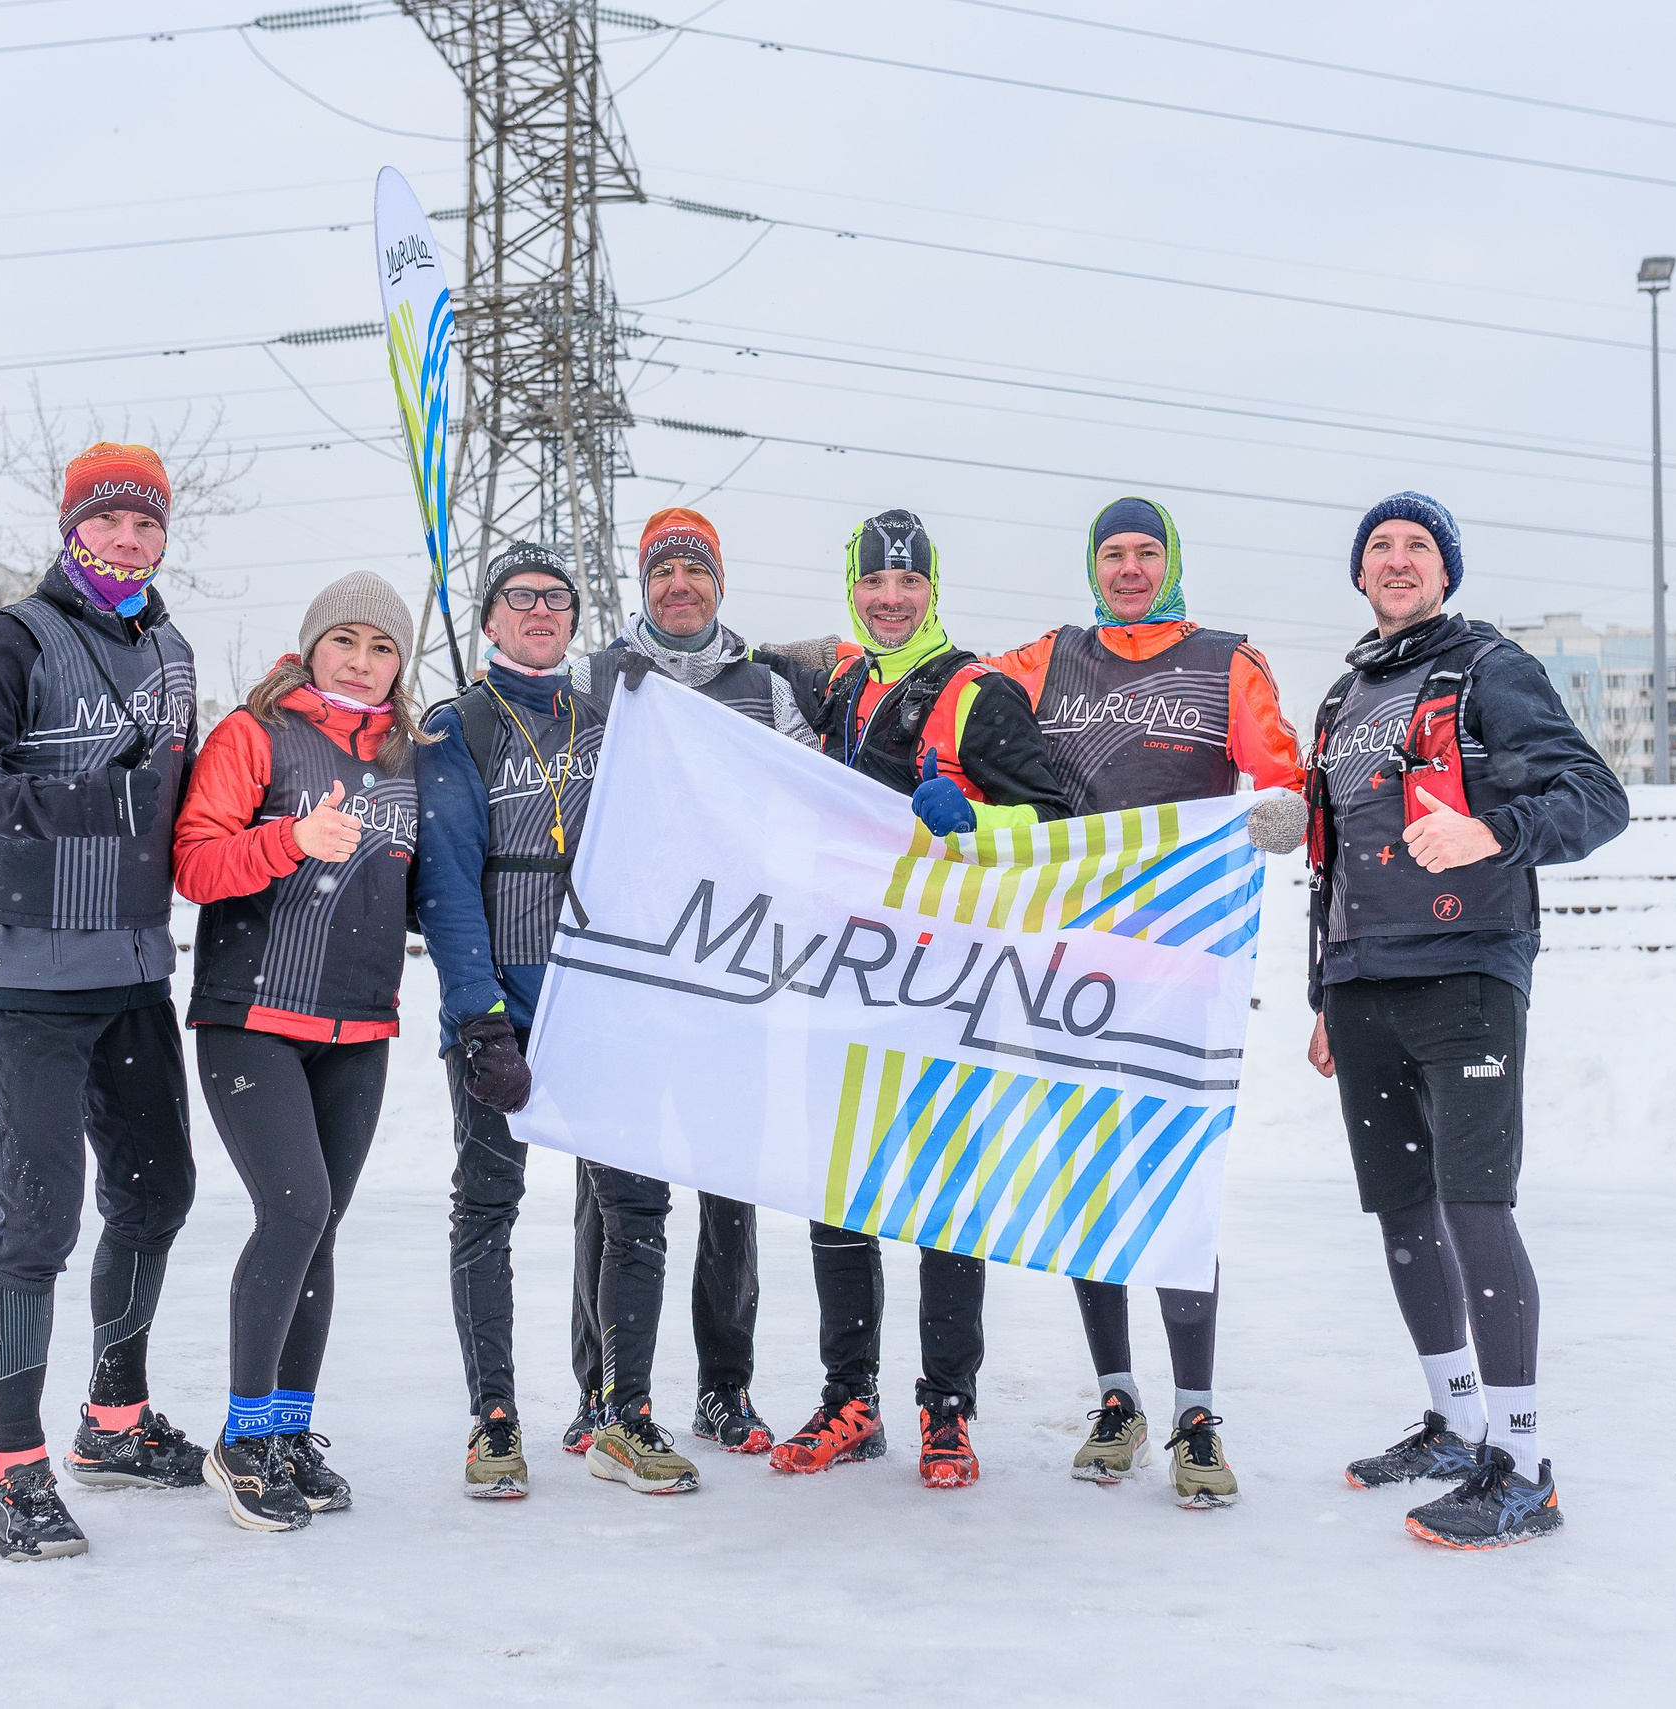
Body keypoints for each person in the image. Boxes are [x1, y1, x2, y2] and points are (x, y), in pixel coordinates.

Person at [1301, 492, 1627, 1550]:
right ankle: (1452, 1421)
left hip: (1464, 973)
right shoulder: (1344, 695)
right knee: (1401, 1210)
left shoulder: (1489, 667)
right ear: (1359, 572)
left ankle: (1524, 1465)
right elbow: (1334, 859)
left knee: (1473, 1207)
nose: (1398, 560)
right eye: (1380, 547)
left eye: (1417, 547)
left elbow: (1596, 796)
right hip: (1362, 982)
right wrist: (1322, 987)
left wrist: (1493, 831)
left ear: (1445, 570)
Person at [0, 443, 204, 1563]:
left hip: (133, 971)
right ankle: (13, 1466)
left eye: (145, 525)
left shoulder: (173, 651)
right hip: (26, 977)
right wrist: (72, 801)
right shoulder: (10, 638)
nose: (127, 541)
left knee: (157, 1193)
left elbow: (187, 802)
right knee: (37, 1219)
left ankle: (113, 1421)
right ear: (73, 529)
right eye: (107, 523)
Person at [983, 495, 1304, 1508]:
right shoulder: (1045, 658)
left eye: (1145, 552)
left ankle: (1195, 1411)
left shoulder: (1224, 657)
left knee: (1177, 1184)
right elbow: (957, 712)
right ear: (1092, 562)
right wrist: (960, 787)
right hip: (1071, 959)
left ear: (1170, 561)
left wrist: (1277, 810)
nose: (1128, 568)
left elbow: (1278, 771)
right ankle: (1117, 1397)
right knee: (1091, 1181)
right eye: (1113, 553)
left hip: (1182, 962)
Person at [768, 508, 1072, 1491]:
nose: (890, 599)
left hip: (941, 986)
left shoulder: (978, 694)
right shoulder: (845, 687)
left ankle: (946, 1406)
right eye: (873, 583)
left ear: (932, 590)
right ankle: (848, 1396)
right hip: (843, 977)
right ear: (851, 589)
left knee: (944, 1200)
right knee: (838, 1198)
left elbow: (1070, 822)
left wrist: (979, 817)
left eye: (907, 584)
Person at [416, 543, 703, 1498]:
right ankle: (492, 1418)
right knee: (489, 1210)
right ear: (491, 619)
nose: (539, 610)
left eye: (557, 599)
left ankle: (626, 1413)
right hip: (507, 1007)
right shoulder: (459, 725)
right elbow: (449, 881)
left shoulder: (608, 717)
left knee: (638, 1210)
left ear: (575, 622)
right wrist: (477, 1018)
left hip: (608, 1010)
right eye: (519, 598)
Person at [556, 508, 826, 1461]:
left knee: (729, 1183)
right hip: (623, 972)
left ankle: (725, 1386)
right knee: (612, 1189)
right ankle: (599, 1389)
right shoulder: (592, 678)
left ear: (720, 585)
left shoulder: (765, 687)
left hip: (732, 971)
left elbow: (816, 796)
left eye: (696, 573)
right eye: (663, 571)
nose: (680, 586)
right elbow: (529, 757)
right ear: (643, 584)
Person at [170, 573, 432, 1531]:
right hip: (254, 1017)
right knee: (295, 1208)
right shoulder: (254, 735)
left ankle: (288, 1430)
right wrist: (288, 837)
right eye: (345, 641)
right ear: (312, 644)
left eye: (381, 648)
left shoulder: (412, 755)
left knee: (322, 1227)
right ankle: (240, 1439)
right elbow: (196, 863)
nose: (361, 662)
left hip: (360, 1027)